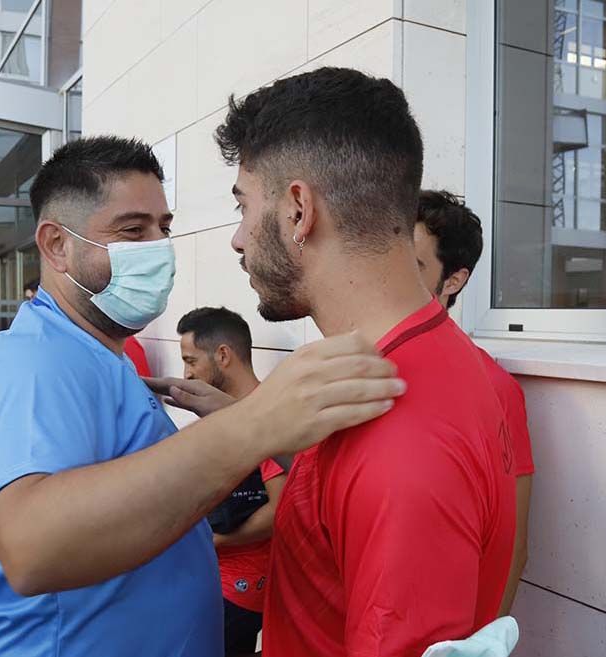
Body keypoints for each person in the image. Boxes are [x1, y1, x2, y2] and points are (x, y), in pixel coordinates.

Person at [0, 135, 404, 657]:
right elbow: (32, 547)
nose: (158, 248)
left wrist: (230, 416)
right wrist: (254, 423)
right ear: (56, 245)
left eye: (163, 228)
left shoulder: (99, 355)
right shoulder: (36, 361)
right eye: (132, 230)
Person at [190, 66, 516, 657]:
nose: (237, 240)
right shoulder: (409, 361)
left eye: (243, 206)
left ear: (297, 211)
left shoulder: (402, 435)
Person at [413, 190, 535, 616]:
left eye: (413, 266)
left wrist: (483, 643)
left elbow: (512, 544)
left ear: (454, 281)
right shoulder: (352, 363)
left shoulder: (493, 388)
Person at [177, 306, 286, 656]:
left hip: (237, 592)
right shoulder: (230, 412)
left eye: (192, 361)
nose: (186, 374)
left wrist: (216, 540)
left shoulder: (262, 415)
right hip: (213, 582)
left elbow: (280, 508)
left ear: (222, 355)